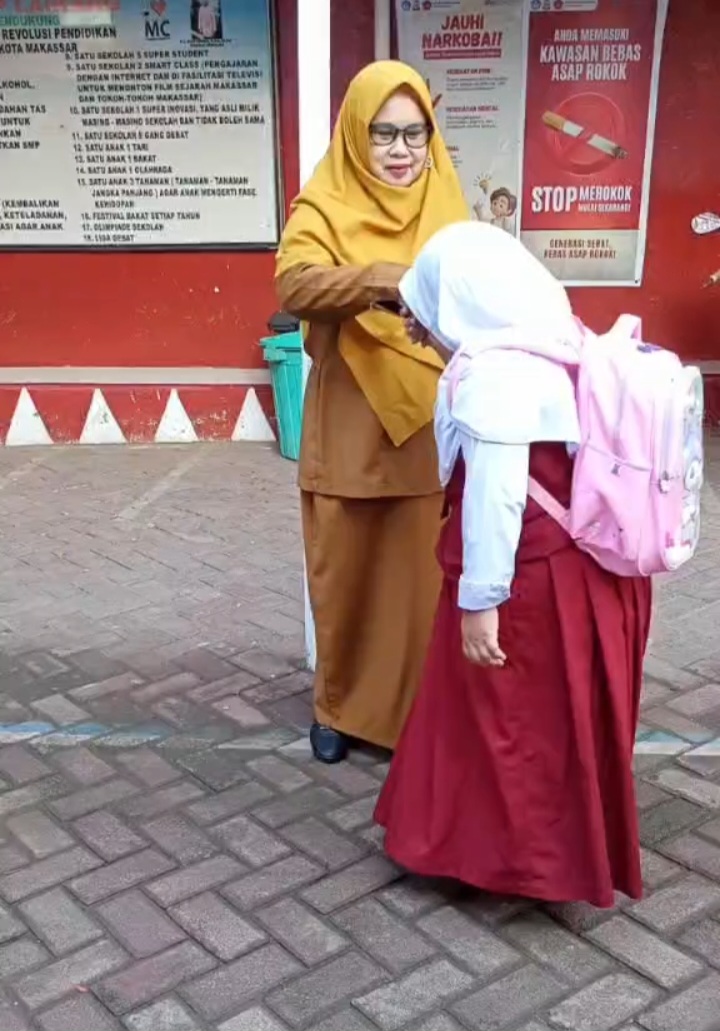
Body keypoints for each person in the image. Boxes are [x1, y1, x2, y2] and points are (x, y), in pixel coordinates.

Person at [375, 221, 652, 908]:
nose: (417, 321)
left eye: (428, 301)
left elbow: (496, 495)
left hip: (534, 581)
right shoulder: (565, 343)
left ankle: (516, 861)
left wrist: (480, 600)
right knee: (560, 725)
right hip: (591, 569)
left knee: (511, 723)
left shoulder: (496, 377)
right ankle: (547, 849)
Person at [275, 61, 468, 764]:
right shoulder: (325, 203)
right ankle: (338, 709)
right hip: (351, 427)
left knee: (420, 584)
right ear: (357, 132)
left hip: (429, 429)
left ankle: (416, 716)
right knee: (345, 574)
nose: (400, 149)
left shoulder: (448, 206)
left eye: (415, 133)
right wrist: (386, 280)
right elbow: (295, 283)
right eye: (384, 133)